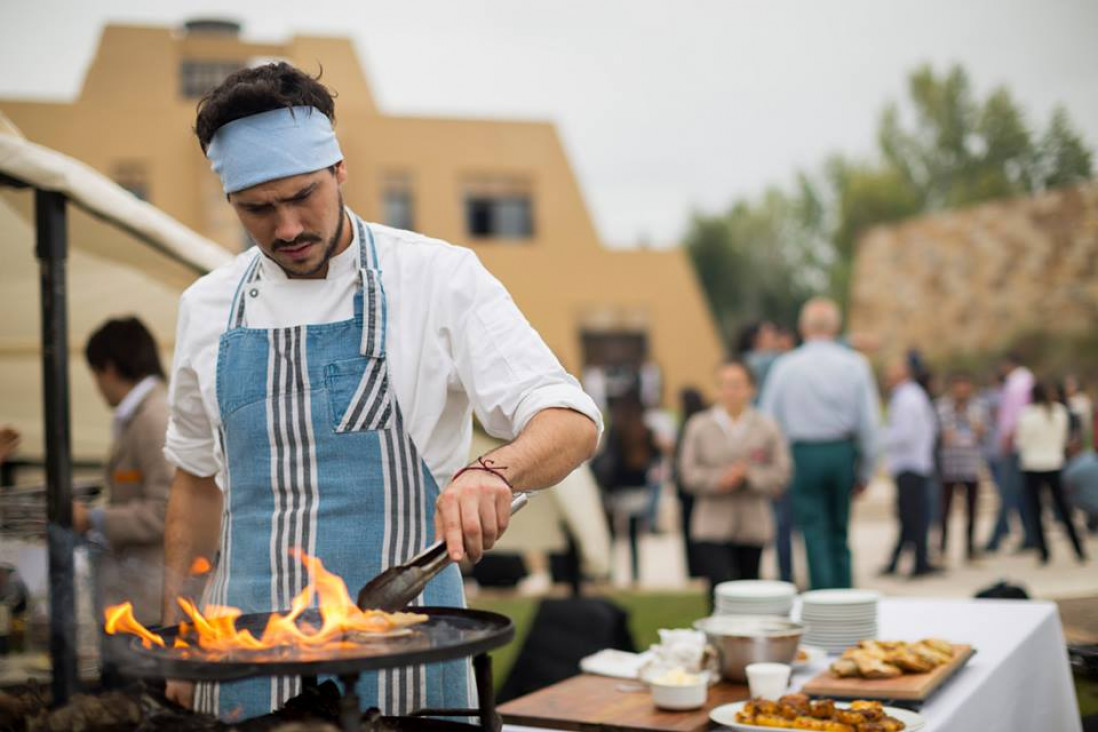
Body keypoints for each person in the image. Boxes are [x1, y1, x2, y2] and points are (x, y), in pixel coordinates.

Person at [162, 63, 601, 719]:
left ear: (339, 170)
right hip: (249, 655)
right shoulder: (206, 307)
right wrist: (180, 638)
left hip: (405, 655)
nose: (286, 228)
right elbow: (196, 487)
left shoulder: (437, 277)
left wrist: (492, 473)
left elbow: (571, 419)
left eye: (302, 195)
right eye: (258, 208)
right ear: (232, 202)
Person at [758, 298, 880, 590]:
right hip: (841, 451)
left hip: (803, 454)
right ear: (836, 327)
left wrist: (771, 467)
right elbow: (870, 424)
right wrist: (866, 470)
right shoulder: (855, 364)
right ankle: (845, 598)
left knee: (813, 533)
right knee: (840, 531)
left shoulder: (786, 366)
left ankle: (824, 599)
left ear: (803, 328)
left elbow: (767, 420)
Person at [75, 317, 172, 625]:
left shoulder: (154, 417)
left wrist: (92, 518)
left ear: (109, 368)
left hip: (153, 602)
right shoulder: (142, 415)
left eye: (95, 375)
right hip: (141, 598)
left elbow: (167, 509)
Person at [678, 361, 791, 607]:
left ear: (751, 389)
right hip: (712, 523)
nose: (730, 392)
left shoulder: (766, 426)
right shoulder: (699, 426)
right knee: (718, 589)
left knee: (749, 590)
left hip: (752, 522)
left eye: (737, 385)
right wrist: (719, 479)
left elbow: (781, 472)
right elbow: (687, 474)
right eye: (724, 386)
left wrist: (749, 476)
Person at [1015, 382, 1087, 565]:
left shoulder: (1027, 415)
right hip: (1054, 463)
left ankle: (1044, 552)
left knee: (1036, 511)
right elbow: (1064, 439)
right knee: (1063, 510)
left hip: (1033, 465)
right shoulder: (1060, 412)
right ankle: (1078, 549)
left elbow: (1020, 443)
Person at [880, 359, 939, 578]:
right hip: (916, 464)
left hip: (909, 465)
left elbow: (903, 434)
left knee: (911, 517)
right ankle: (909, 561)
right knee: (912, 517)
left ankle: (917, 563)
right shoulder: (913, 395)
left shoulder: (906, 398)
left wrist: (879, 438)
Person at [594, 394, 661, 584]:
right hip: (638, 487)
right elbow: (654, 456)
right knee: (633, 536)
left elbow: (610, 458)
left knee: (614, 534)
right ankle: (635, 573)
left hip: (618, 488)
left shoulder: (617, 429)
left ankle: (611, 572)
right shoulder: (645, 430)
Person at [985, 354, 1038, 553]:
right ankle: (1031, 535)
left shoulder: (1017, 384)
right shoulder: (1026, 380)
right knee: (1022, 493)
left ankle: (996, 538)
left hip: (1014, 445)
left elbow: (1016, 416)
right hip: (1022, 444)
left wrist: (1007, 440)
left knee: (1007, 492)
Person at [935, 373, 987, 562]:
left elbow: (983, 432)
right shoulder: (942, 408)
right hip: (949, 465)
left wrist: (978, 429)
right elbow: (940, 434)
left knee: (972, 510)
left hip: (970, 465)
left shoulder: (977, 408)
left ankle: (971, 550)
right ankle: (941, 549)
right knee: (944, 510)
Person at [672, 387, 708, 578]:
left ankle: (695, 570)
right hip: (694, 488)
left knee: (692, 531)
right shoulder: (698, 422)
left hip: (691, 489)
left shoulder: (691, 425)